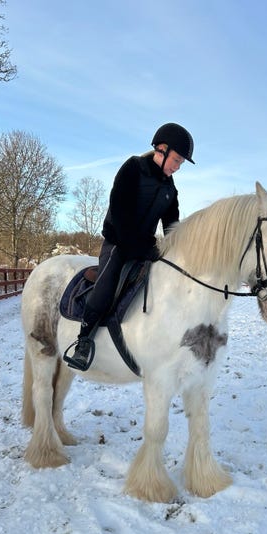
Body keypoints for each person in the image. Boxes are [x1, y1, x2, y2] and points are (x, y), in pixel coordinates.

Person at [63, 122, 195, 371]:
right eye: (176, 160)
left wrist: (180, 248)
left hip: (146, 248)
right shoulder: (133, 168)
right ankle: (83, 341)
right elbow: (120, 213)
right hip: (118, 243)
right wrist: (139, 246)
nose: (177, 167)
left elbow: (172, 226)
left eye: (181, 164)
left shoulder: (170, 189)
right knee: (106, 285)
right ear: (162, 149)